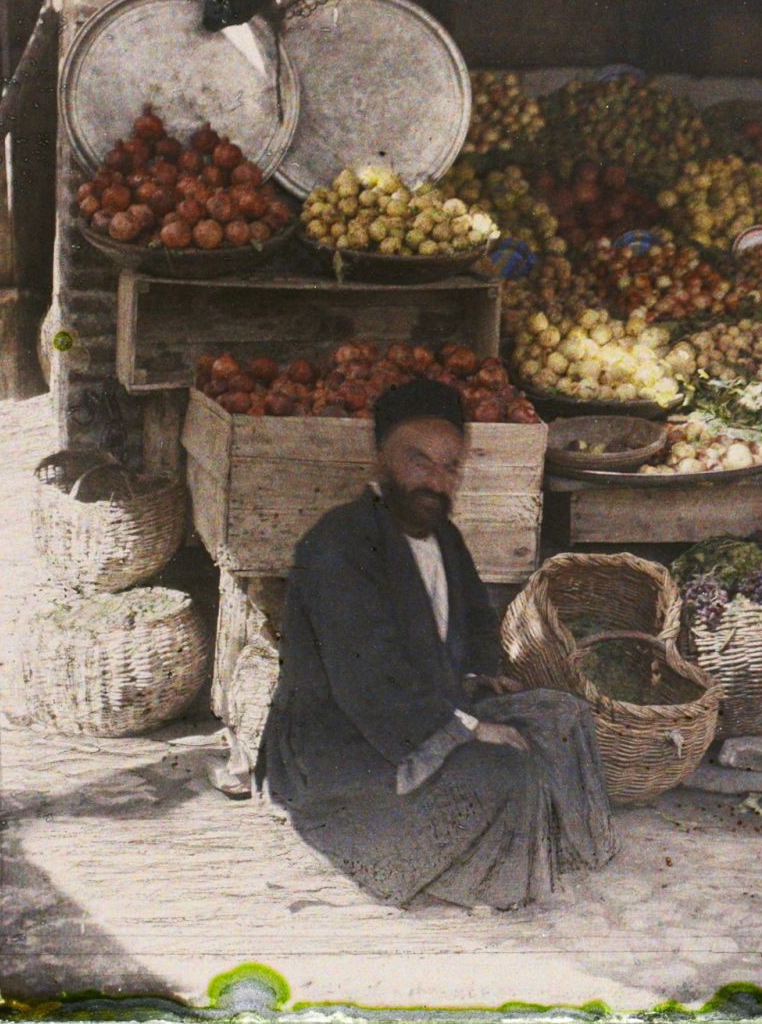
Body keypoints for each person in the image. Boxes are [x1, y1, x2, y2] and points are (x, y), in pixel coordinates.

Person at [259, 379, 616, 910]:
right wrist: (469, 728)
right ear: (381, 457)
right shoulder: (339, 545)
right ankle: (456, 871)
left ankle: (554, 851)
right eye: (419, 460)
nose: (435, 480)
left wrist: (480, 674)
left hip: (430, 707)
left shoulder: (443, 535)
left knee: (564, 716)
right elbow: (368, 685)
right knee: (509, 775)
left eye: (450, 466)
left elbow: (475, 618)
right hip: (347, 752)